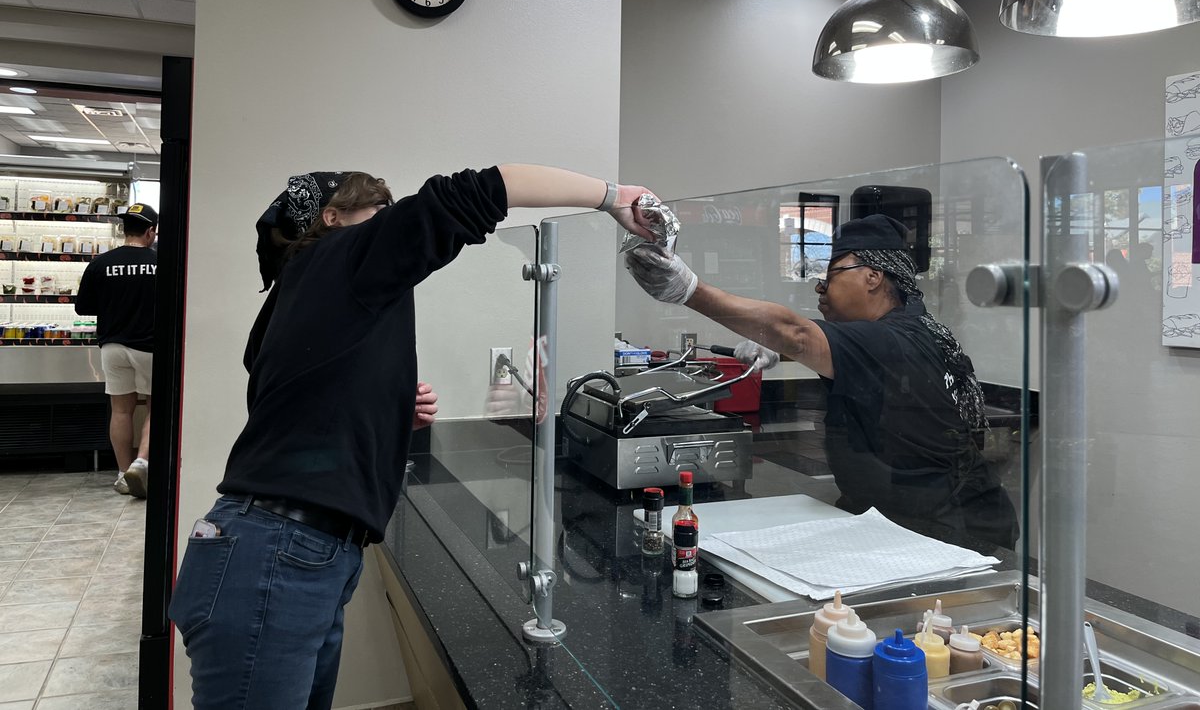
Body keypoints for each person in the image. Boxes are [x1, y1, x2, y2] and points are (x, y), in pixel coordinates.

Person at [169, 165, 657, 710]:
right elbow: (476, 191)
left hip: (291, 550)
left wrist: (388, 413)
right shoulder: (343, 258)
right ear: (333, 220)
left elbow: (296, 413)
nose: (389, 221)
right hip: (276, 554)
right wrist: (613, 197)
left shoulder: (301, 290)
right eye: (377, 210)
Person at [624, 213, 1018, 551]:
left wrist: (688, 289)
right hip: (915, 519)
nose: (820, 287)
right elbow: (821, 346)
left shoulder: (891, 339)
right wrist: (784, 349)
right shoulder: (913, 331)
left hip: (954, 532)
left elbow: (797, 332)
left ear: (872, 277)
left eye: (832, 273)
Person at [74, 202, 158, 498]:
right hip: (150, 346)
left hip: (112, 346)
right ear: (151, 231)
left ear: (125, 230)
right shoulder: (161, 262)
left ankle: (123, 475)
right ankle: (142, 463)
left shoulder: (100, 263)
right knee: (156, 406)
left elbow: (83, 307)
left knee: (121, 409)